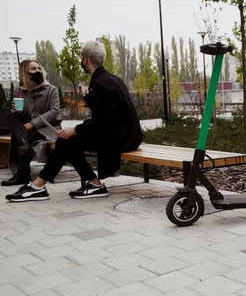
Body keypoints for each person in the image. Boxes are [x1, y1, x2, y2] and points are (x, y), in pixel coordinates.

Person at [6, 40, 142, 202]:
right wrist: (78, 130)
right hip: (125, 135)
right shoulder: (110, 79)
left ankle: (39, 186)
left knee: (67, 140)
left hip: (121, 139)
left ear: (85, 59)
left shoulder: (101, 84)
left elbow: (105, 121)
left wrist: (76, 129)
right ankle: (90, 184)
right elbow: (107, 120)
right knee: (67, 141)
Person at [1, 60, 62, 186]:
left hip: (47, 128)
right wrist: (18, 110)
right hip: (27, 129)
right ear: (25, 73)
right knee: (12, 116)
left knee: (21, 135)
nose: (38, 71)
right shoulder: (19, 91)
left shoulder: (51, 89)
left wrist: (32, 124)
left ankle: (23, 174)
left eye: (39, 68)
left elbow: (54, 111)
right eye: (33, 69)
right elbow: (20, 116)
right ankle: (25, 149)